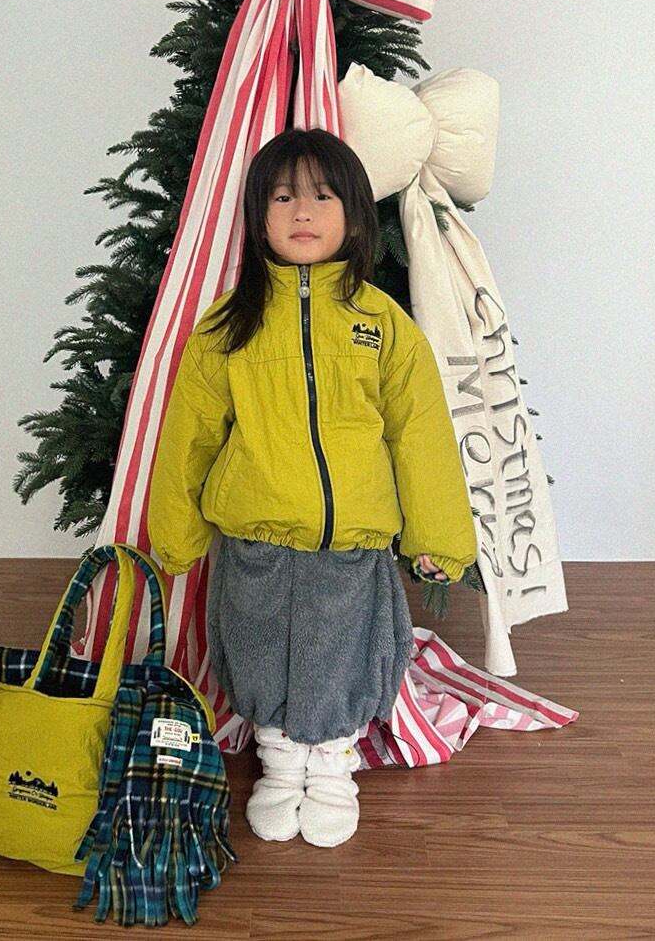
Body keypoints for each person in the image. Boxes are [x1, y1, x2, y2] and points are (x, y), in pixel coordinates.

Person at [147, 128, 477, 849]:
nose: (302, 211)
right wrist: (174, 532)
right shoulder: (229, 327)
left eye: (322, 196)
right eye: (283, 197)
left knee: (343, 655)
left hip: (351, 543)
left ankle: (331, 768)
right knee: (259, 650)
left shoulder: (382, 325)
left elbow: (419, 435)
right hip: (255, 537)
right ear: (258, 217)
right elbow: (190, 434)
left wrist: (440, 539)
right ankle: (279, 761)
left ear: (354, 218)